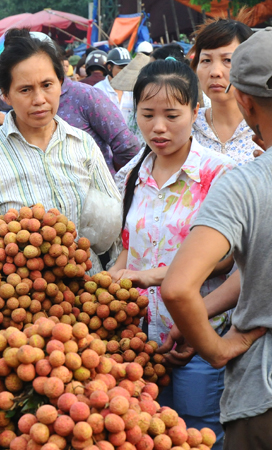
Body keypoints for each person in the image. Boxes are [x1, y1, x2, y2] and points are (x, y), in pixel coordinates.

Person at [109, 59, 235, 449]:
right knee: (148, 434)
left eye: (172, 115)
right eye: (147, 115)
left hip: (201, 332)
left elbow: (228, 258)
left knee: (200, 432)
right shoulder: (131, 175)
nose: (158, 127)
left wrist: (155, 275)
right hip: (141, 341)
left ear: (196, 112)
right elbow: (126, 253)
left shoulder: (221, 174)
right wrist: (108, 283)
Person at [160, 28, 272, 449]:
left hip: (264, 394)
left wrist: (217, 349)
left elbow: (176, 287)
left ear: (242, 99)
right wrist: (201, 315)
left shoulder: (245, 183)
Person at [0, 29, 121, 262]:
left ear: (61, 83)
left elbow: (114, 230)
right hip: (17, 293)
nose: (39, 99)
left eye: (47, 85)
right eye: (25, 89)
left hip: (89, 290)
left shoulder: (83, 145)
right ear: (6, 95)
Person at [190, 18, 259, 166]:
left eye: (227, 60)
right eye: (206, 61)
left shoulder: (263, 129)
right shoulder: (187, 126)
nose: (215, 72)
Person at [94, 47, 134, 124]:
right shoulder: (98, 90)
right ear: (109, 67)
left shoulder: (134, 90)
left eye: (128, 68)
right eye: (121, 68)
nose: (125, 71)